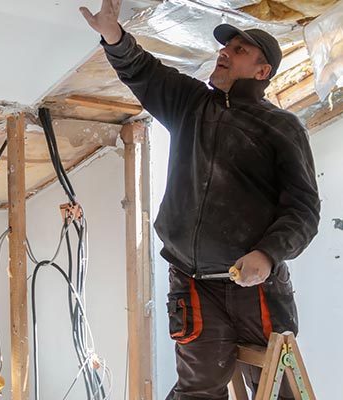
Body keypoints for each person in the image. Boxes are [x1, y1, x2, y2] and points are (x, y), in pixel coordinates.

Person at [81, 1, 320, 399]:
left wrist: (267, 254)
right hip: (193, 285)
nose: (224, 53)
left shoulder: (281, 127)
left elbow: (304, 209)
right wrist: (113, 36)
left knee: (276, 389)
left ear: (262, 72)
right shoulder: (191, 105)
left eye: (239, 50)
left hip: (255, 287)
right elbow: (144, 72)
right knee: (198, 390)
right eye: (226, 48)